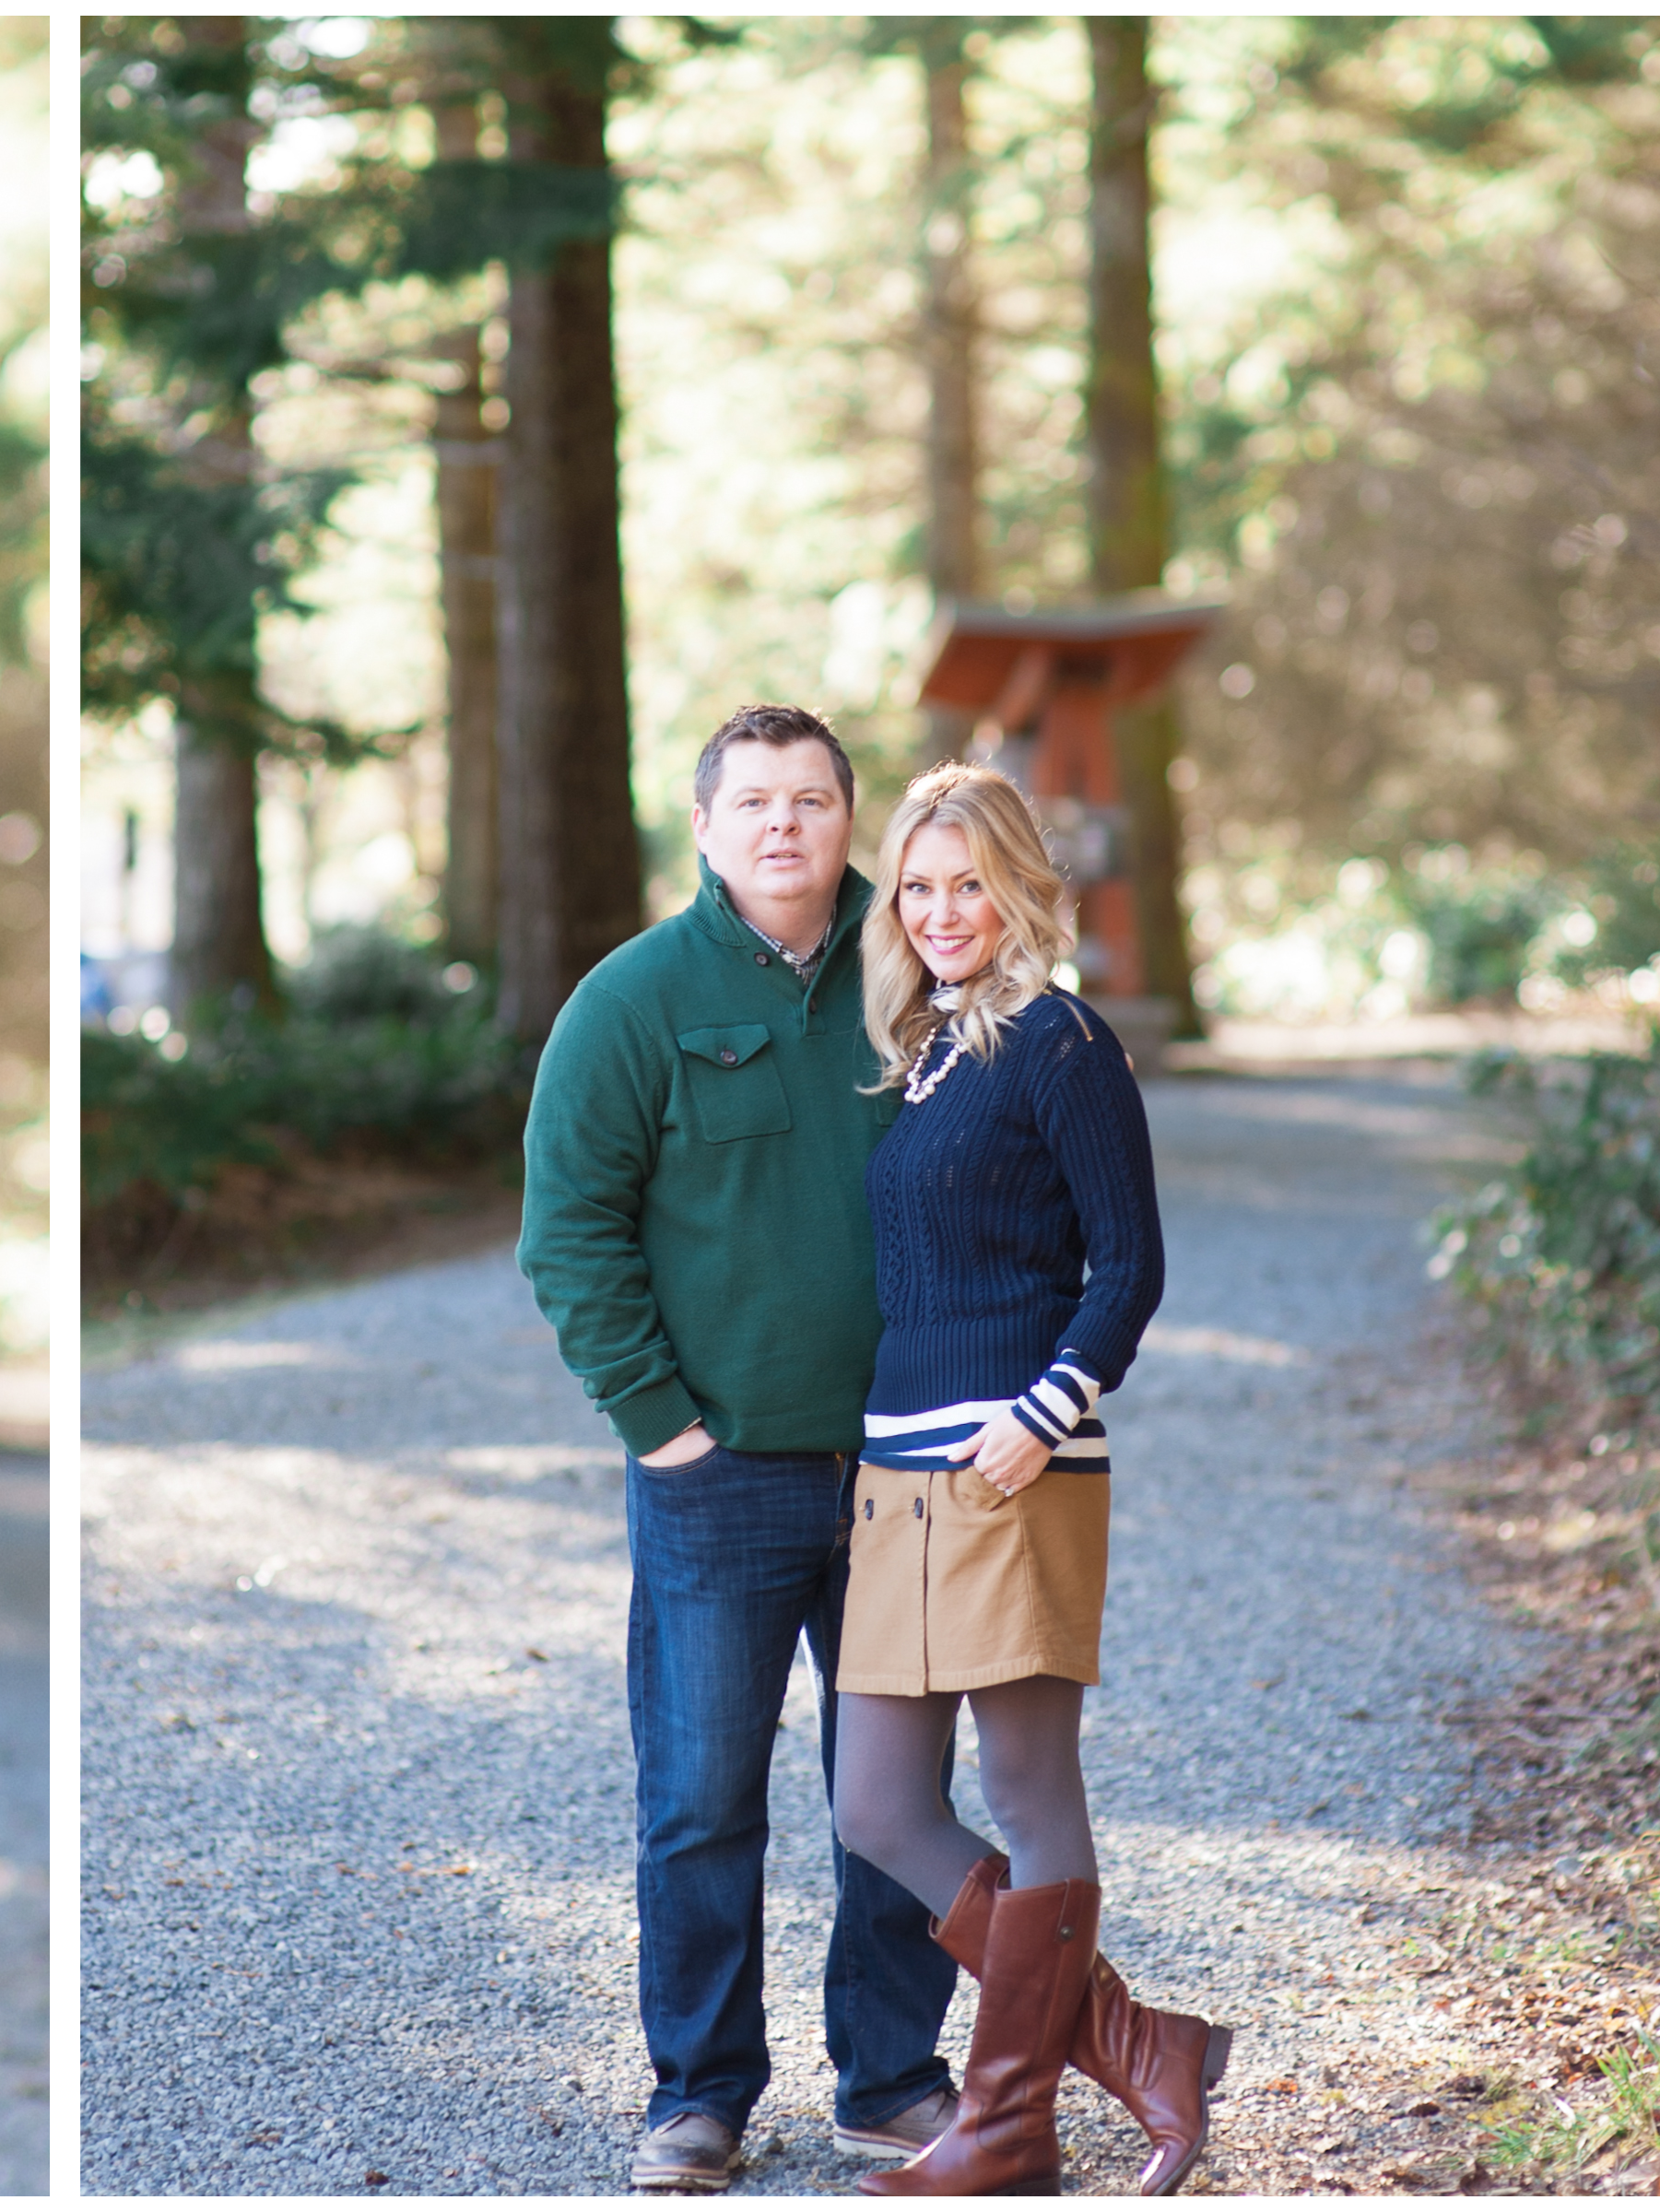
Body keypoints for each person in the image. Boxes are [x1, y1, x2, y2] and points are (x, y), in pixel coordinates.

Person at [520, 704, 963, 2194]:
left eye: (814, 800)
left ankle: (892, 2081)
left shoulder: (918, 979)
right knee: (702, 1800)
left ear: (854, 822)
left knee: (889, 1800)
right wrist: (666, 1427)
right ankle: (698, 2092)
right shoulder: (632, 1002)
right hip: (717, 1481)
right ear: (704, 828)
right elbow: (568, 1233)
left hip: (909, 1472)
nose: (785, 825)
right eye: (754, 802)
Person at [830, 762, 1226, 2198]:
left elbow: (1130, 1263)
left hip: (1015, 1470)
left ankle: (1003, 2128)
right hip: (898, 1475)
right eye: (918, 888)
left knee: (1026, 1778)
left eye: (968, 884)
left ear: (1019, 890)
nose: (941, 912)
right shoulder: (925, 1046)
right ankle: (1135, 2049)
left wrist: (1048, 1407)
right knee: (876, 1804)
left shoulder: (1061, 1042)